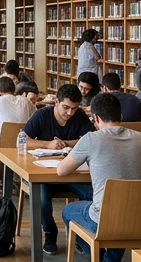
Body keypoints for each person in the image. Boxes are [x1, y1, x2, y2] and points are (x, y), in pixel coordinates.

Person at [54, 93, 141, 262]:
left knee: (69, 212)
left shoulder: (91, 139)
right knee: (120, 214)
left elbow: (61, 170)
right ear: (122, 116)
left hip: (108, 218)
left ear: (96, 118)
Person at [23, 86, 98, 251]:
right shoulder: (42, 115)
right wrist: (48, 144)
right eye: (66, 107)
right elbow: (23, 140)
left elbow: (92, 139)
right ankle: (50, 232)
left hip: (72, 172)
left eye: (74, 108)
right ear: (56, 101)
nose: (70, 113)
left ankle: (82, 235)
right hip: (43, 173)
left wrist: (66, 143)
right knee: (41, 199)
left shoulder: (78, 116)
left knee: (93, 193)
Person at [0, 76, 36, 155]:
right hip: (23, 144)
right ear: (14, 89)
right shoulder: (26, 101)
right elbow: (35, 118)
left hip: (3, 144)